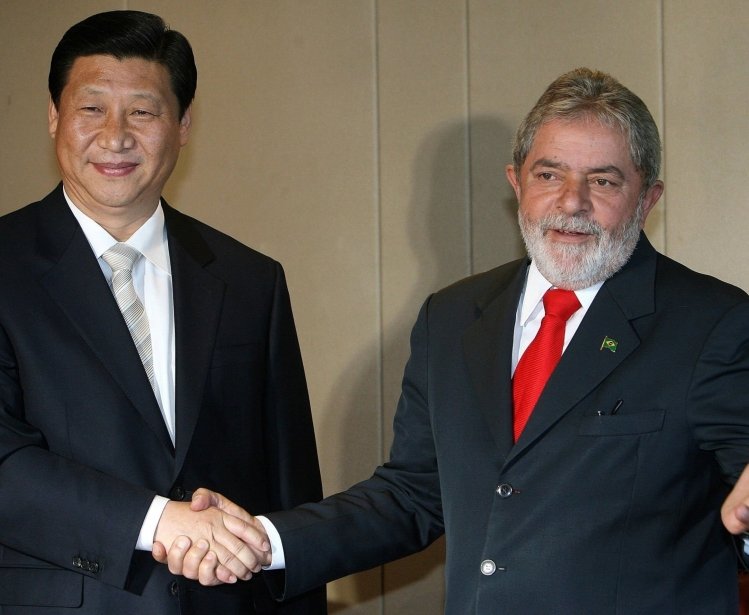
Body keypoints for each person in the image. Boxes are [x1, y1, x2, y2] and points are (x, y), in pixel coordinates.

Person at [159, 67, 749, 614]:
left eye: (603, 180)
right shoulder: (453, 318)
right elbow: (413, 495)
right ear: (516, 183)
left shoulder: (713, 324)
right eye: (550, 174)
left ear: (648, 199)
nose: (572, 202)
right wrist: (267, 540)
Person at [0, 10, 326, 615]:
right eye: (91, 108)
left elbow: (290, 490)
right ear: (53, 117)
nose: (116, 136)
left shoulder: (252, 281)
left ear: (182, 127)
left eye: (143, 112)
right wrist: (159, 523)